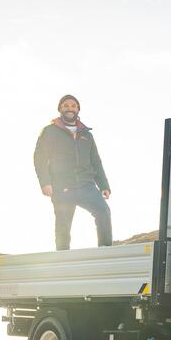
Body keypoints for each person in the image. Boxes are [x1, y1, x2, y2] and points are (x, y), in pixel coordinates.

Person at [33, 94, 112, 250]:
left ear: (78, 109)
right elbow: (39, 159)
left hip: (86, 185)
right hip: (62, 187)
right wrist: (45, 183)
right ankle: (62, 259)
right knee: (63, 227)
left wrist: (104, 185)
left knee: (103, 211)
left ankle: (105, 250)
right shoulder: (49, 131)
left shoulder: (87, 135)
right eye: (66, 106)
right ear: (60, 109)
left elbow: (96, 162)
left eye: (73, 106)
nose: (70, 108)